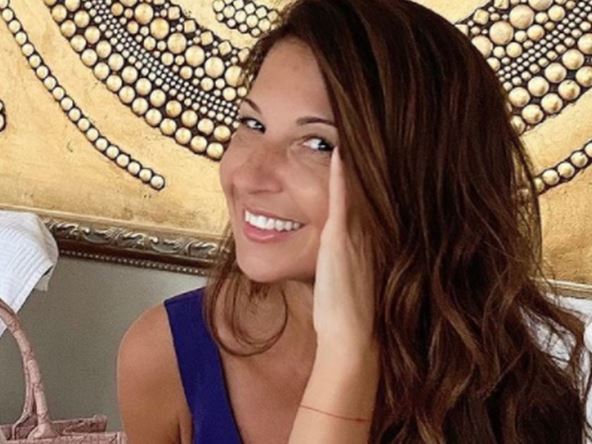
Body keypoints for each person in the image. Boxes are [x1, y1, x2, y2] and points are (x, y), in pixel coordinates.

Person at [116, 0, 592, 442]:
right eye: (252, 124)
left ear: (417, 176)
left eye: (318, 144)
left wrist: (347, 355)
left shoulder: (517, 400)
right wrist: (346, 360)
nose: (249, 175)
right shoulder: (165, 356)